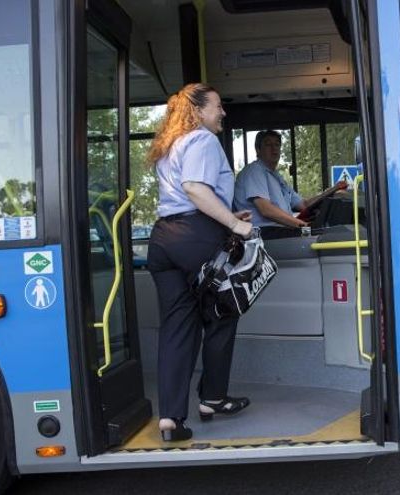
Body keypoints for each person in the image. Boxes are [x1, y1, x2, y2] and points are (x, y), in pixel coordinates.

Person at [146, 83, 253, 442]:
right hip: (196, 234)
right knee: (225, 310)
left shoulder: (170, 144)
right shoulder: (202, 139)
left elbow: (184, 194)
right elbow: (194, 188)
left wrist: (223, 214)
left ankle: (171, 419)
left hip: (164, 240)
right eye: (218, 106)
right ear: (199, 111)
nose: (222, 112)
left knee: (177, 325)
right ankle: (212, 398)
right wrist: (236, 224)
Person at [233, 130, 346, 232]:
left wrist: (332, 191)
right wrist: (302, 226)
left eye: (277, 144)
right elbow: (266, 209)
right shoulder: (254, 170)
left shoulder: (277, 177)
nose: (274, 148)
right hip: (264, 233)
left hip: (281, 230)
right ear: (258, 149)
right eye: (268, 145)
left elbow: (303, 205)